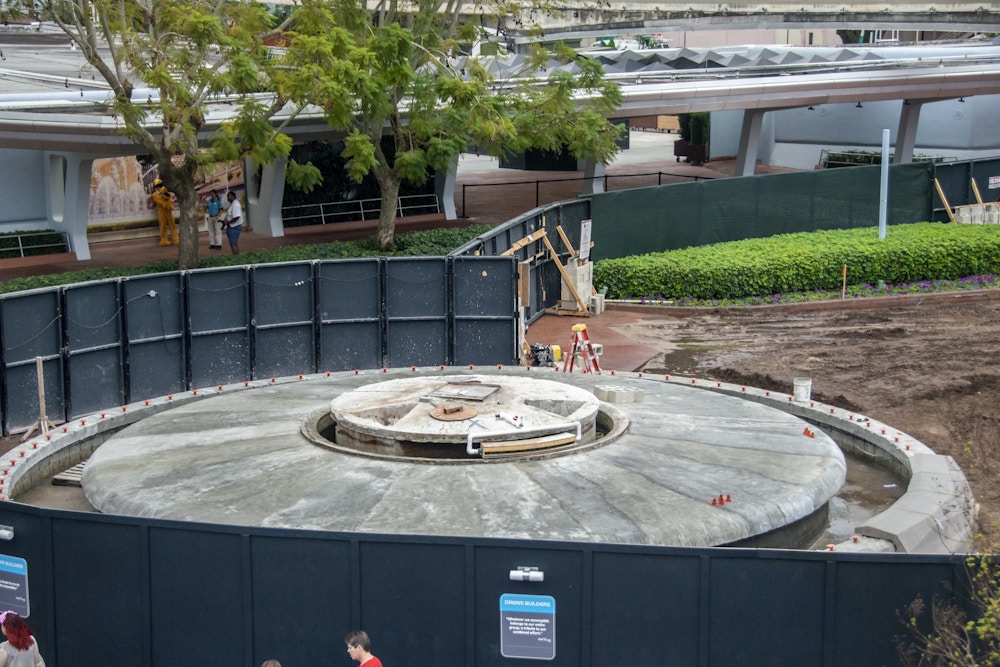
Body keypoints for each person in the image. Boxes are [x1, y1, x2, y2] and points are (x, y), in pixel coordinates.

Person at [151, 178, 178, 246]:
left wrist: (168, 203)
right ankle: (164, 240)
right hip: (161, 212)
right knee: (163, 226)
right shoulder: (155, 195)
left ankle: (175, 239)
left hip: (169, 211)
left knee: (172, 226)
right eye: (158, 186)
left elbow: (170, 199)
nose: (160, 187)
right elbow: (159, 202)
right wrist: (166, 204)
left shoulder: (166, 194)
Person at [223, 191, 243, 255]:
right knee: (233, 243)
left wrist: (228, 222)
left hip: (234, 227)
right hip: (231, 226)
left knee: (233, 243)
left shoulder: (236, 204)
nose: (227, 198)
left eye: (228, 196)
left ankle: (236, 257)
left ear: (233, 196)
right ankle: (237, 256)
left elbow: (237, 216)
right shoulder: (233, 204)